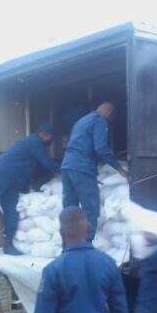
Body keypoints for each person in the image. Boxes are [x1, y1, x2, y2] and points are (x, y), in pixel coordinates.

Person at [0, 123, 60, 255]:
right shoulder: (35, 142)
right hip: (1, 174)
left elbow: (31, 168)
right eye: (50, 137)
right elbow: (46, 163)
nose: (50, 141)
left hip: (13, 181)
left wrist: (27, 188)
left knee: (12, 211)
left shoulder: (35, 144)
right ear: (44, 135)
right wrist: (63, 171)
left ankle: (8, 244)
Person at [61, 102, 127, 242]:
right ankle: (86, 246)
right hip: (81, 167)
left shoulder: (82, 121)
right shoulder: (99, 121)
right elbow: (101, 148)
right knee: (90, 209)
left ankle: (67, 247)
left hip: (67, 166)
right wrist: (119, 168)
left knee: (69, 209)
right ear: (109, 112)